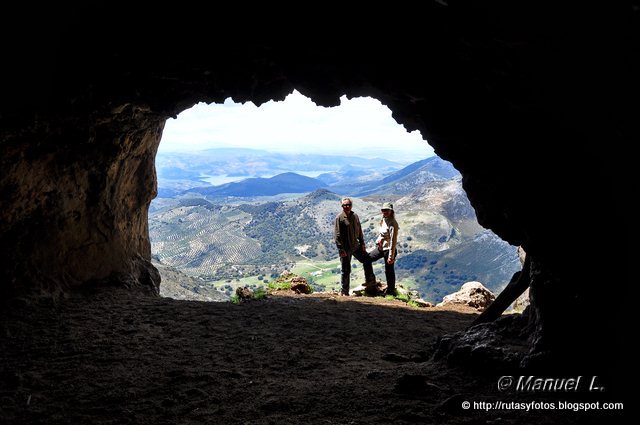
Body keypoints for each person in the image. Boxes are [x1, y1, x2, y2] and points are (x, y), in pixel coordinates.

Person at [334, 197, 376, 296]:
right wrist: (341, 249)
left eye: (348, 205)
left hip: (356, 246)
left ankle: (370, 281)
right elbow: (337, 235)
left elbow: (359, 230)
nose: (347, 206)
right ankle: (344, 291)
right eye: (344, 205)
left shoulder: (355, 216)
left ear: (351, 205)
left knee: (367, 259)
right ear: (342, 206)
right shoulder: (339, 218)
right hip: (345, 248)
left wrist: (362, 243)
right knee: (345, 270)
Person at [368, 202, 399, 295]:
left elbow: (393, 241)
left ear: (391, 211)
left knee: (389, 271)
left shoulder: (393, 223)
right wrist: (378, 239)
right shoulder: (384, 219)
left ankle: (391, 291)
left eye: (386, 210)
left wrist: (391, 256)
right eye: (383, 210)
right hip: (381, 248)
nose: (384, 212)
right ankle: (370, 281)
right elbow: (382, 234)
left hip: (388, 250)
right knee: (367, 259)